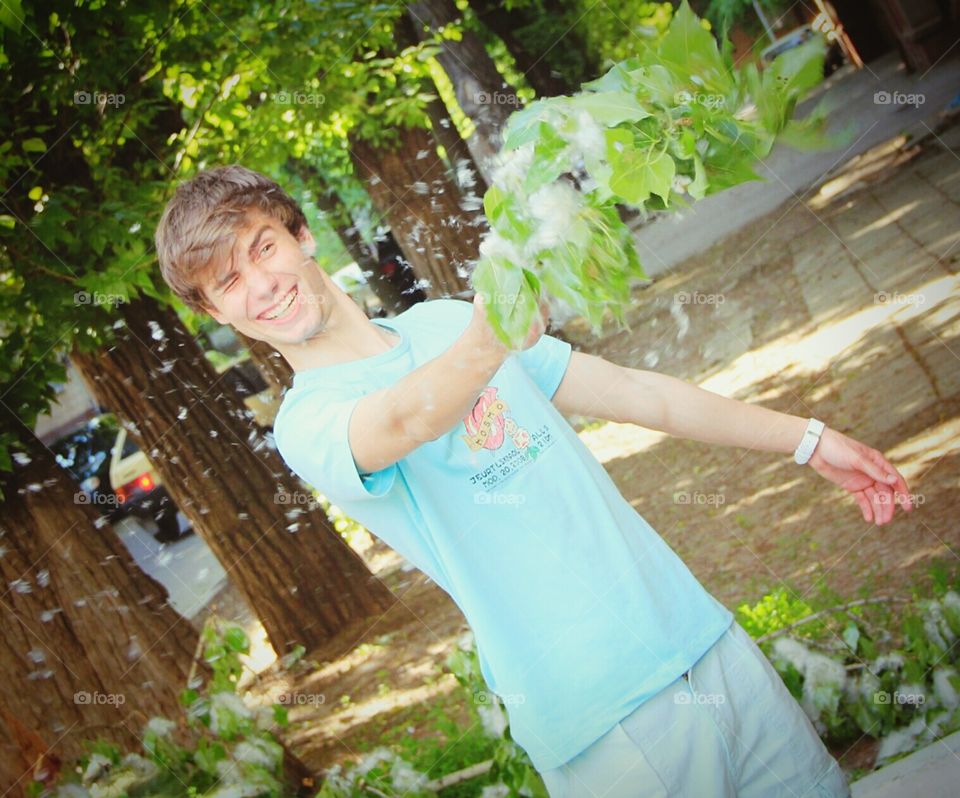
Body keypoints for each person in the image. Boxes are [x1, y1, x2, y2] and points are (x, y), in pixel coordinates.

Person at [155, 165, 913, 797]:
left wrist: (808, 440)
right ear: (216, 313)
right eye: (228, 282)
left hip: (701, 639)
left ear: (303, 236)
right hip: (605, 723)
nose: (261, 283)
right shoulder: (310, 422)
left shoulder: (447, 323)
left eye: (263, 247)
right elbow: (406, 420)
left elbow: (636, 393)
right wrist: (489, 341)